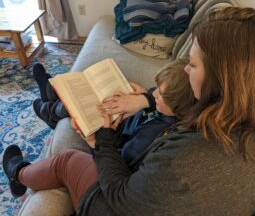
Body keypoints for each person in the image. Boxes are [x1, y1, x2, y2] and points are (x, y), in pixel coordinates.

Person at [3, 7, 255, 216]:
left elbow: (118, 197)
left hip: (112, 206)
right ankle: (52, 106)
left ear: (223, 81)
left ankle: (18, 173)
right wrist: (147, 100)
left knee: (67, 160)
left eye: (192, 65)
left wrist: (103, 138)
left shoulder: (191, 157)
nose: (185, 70)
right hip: (149, 197)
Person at [3, 59, 195, 206]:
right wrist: (145, 99)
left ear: (178, 106)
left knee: (87, 119)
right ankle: (52, 101)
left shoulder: (153, 138)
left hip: (111, 158)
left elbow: (118, 162)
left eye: (159, 94)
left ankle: (17, 173)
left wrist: (96, 143)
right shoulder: (171, 108)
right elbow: (154, 96)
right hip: (123, 129)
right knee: (98, 99)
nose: (154, 94)